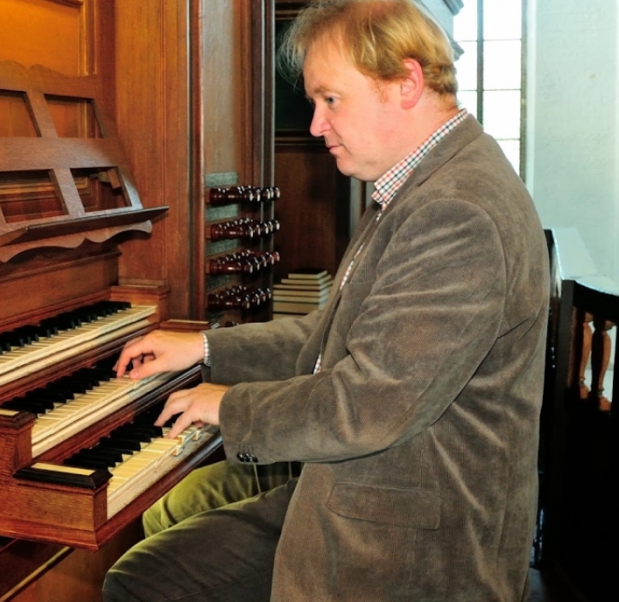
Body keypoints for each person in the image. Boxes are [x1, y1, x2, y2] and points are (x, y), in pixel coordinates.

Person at [102, 0, 549, 600]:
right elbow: (330, 338)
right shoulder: (418, 183)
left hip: (412, 546)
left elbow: (369, 403)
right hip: (372, 491)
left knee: (150, 585)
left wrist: (231, 408)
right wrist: (205, 347)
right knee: (147, 575)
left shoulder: (455, 212)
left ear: (405, 83)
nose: (315, 126)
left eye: (330, 100)